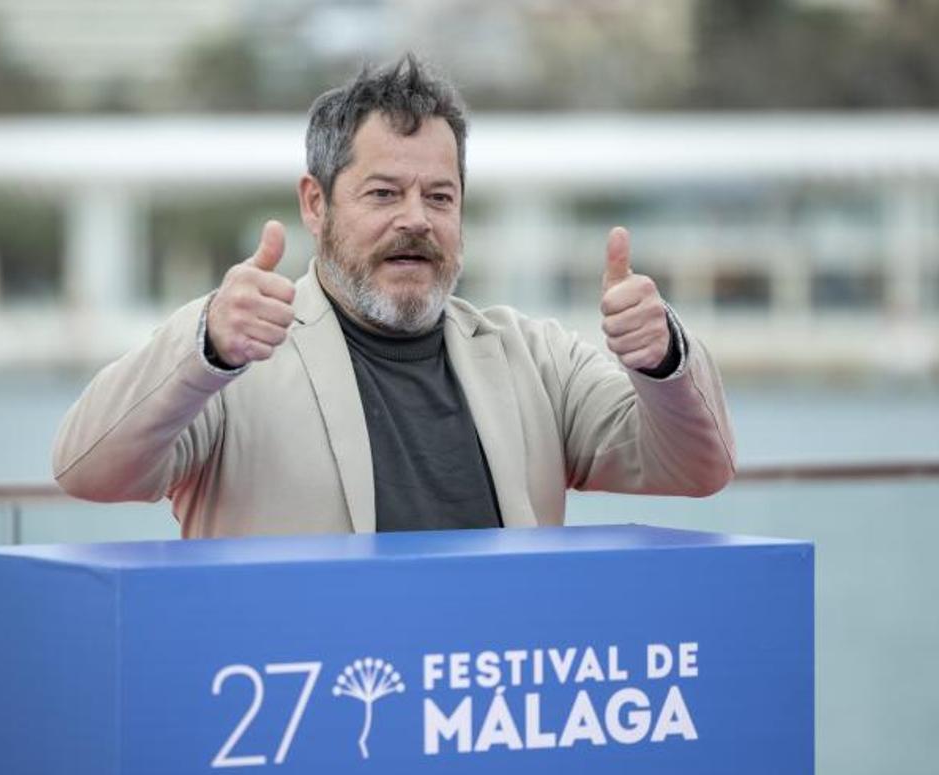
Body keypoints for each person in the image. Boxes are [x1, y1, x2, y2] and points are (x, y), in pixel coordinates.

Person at [51, 54, 735, 539]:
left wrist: (663, 358)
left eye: (439, 196)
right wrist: (204, 346)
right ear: (315, 204)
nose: (416, 219)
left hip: (485, 723)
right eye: (383, 194)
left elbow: (697, 467)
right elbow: (89, 469)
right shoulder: (233, 358)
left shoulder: (536, 359)